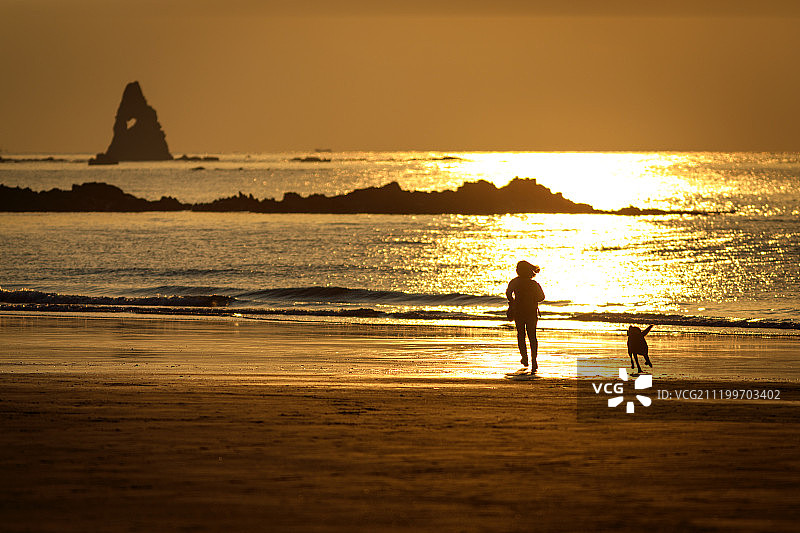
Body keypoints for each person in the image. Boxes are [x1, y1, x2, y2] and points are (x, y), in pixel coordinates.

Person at [506, 260, 545, 371]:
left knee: (521, 334)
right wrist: (532, 299)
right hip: (531, 311)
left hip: (519, 311)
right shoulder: (533, 284)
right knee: (532, 336)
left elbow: (508, 293)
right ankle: (534, 360)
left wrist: (512, 301)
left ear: (518, 271)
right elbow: (542, 297)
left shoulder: (514, 282)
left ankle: (524, 357)